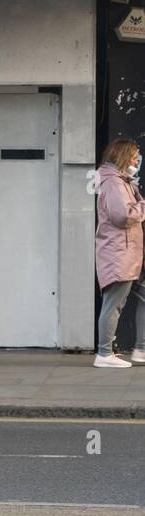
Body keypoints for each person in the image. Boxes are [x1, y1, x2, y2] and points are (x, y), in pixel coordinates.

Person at [93, 138, 145, 368]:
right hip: (118, 253)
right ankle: (104, 354)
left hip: (123, 252)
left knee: (117, 302)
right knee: (113, 303)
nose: (136, 161)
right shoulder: (113, 183)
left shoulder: (119, 181)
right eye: (133, 157)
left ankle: (118, 352)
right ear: (123, 156)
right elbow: (122, 216)